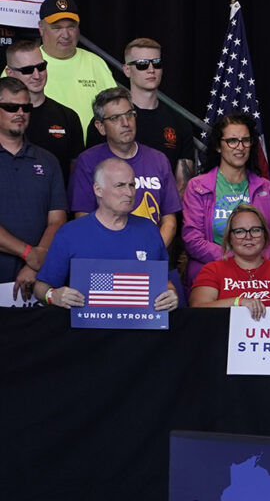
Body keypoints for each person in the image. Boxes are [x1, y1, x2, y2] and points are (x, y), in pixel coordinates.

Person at [34, 158, 178, 311]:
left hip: (139, 330)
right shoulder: (70, 234)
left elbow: (165, 283)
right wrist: (53, 295)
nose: (129, 193)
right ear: (98, 190)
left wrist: (172, 294)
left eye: (132, 185)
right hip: (87, 331)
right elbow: (40, 287)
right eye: (120, 185)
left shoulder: (150, 230)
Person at [181, 111, 270, 289]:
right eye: (232, 141)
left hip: (259, 275)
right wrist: (237, 259)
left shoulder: (265, 188)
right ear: (218, 146)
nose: (240, 147)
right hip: (212, 274)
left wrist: (256, 261)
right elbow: (192, 240)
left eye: (245, 140)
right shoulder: (197, 186)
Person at [82, 38, 199, 193]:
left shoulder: (180, 123)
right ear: (127, 70)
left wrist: (163, 215)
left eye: (156, 63)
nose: (151, 69)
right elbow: (92, 177)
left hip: (162, 213)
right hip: (114, 212)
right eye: (142, 64)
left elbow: (183, 185)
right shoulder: (107, 120)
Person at [69, 87, 181, 248]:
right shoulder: (87, 161)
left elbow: (169, 222)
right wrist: (118, 256)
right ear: (100, 126)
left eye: (129, 114)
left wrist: (150, 255)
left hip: (150, 255)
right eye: (115, 118)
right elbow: (82, 217)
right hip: (105, 253)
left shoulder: (158, 160)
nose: (125, 123)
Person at [0, 76, 66, 301]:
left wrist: (38, 262)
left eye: (26, 107)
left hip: (38, 279)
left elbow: (57, 220)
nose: (20, 112)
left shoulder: (48, 160)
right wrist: (30, 254)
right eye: (11, 107)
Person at [189, 204, 270, 321]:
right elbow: (197, 310)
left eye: (255, 230)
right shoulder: (213, 270)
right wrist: (238, 302)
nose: (248, 236)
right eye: (240, 231)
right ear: (230, 238)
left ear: (265, 235)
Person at [34, 0, 115, 133]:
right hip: (43, 151)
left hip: (93, 151)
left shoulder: (96, 63)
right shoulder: (27, 65)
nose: (65, 35)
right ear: (41, 28)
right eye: (57, 28)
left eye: (71, 27)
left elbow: (116, 110)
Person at [4, 40, 82, 176]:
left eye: (41, 67)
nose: (36, 75)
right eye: (27, 70)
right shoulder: (3, 117)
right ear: (9, 73)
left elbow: (77, 175)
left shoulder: (68, 116)